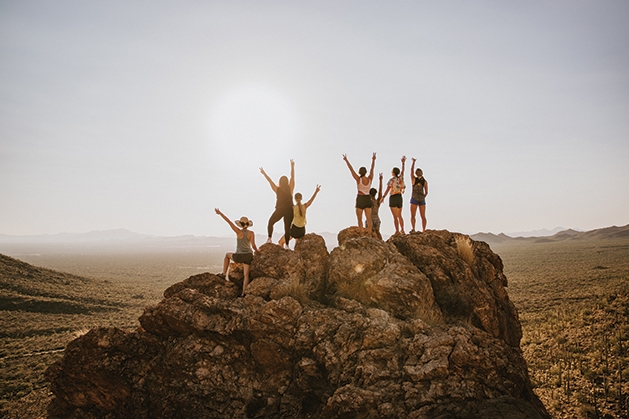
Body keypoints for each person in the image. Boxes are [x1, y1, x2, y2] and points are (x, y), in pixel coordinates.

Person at [214, 208, 259, 297]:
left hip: (239, 256)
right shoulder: (251, 233)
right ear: (247, 224)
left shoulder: (238, 231)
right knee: (246, 275)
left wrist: (220, 213)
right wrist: (258, 251)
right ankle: (243, 293)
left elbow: (229, 221)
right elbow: (253, 245)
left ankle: (223, 274)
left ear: (240, 224)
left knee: (227, 255)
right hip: (248, 256)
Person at [260, 160, 295, 248]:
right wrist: (292, 166)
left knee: (270, 222)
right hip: (289, 210)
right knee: (287, 228)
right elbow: (292, 177)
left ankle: (269, 238)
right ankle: (287, 245)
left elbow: (270, 181)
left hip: (280, 209)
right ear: (286, 182)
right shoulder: (290, 189)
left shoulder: (277, 189)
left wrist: (264, 173)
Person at [343, 153, 376, 233]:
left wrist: (346, 160)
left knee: (359, 218)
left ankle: (361, 234)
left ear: (360, 172)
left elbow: (351, 170)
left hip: (360, 198)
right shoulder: (370, 179)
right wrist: (373, 160)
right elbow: (372, 169)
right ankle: (369, 233)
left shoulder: (358, 179)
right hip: (368, 198)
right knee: (368, 218)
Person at [382, 156, 406, 235]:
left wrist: (383, 197)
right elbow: (403, 171)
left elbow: (387, 189)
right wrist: (403, 163)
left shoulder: (391, 180)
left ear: (393, 172)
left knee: (395, 217)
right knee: (400, 215)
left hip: (393, 197)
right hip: (399, 197)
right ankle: (402, 229)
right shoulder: (400, 179)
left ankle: (397, 231)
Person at [409, 157, 429, 232]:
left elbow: (411, 171)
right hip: (421, 199)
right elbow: (426, 191)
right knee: (423, 216)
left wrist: (413, 163)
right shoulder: (425, 181)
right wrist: (423, 197)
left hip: (414, 198)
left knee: (413, 215)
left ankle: (413, 228)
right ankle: (423, 229)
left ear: (416, 173)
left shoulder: (414, 179)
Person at [369, 173, 384, 240]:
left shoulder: (369, 201)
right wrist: (380, 180)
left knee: (369, 232)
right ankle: (382, 242)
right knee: (377, 232)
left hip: (370, 219)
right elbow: (380, 191)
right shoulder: (377, 202)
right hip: (377, 219)